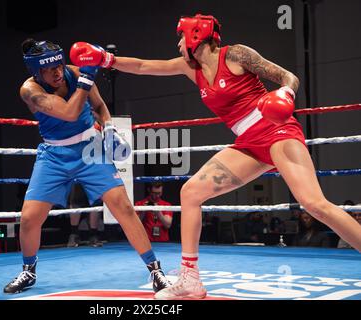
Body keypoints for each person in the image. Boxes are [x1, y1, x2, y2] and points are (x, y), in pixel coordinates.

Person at [70, 13, 361, 299]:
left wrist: (285, 93)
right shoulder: (190, 68)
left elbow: (288, 76)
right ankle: (190, 279)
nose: (178, 46)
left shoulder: (235, 55)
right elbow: (146, 66)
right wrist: (106, 60)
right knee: (191, 192)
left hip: (277, 131)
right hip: (248, 143)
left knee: (314, 204)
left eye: (181, 39)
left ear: (195, 36)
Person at [3, 39, 171, 294]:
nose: (58, 72)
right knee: (28, 219)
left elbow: (100, 106)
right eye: (50, 69)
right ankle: (28, 271)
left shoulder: (75, 72)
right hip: (54, 155)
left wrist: (109, 126)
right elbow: (70, 113)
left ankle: (155, 270)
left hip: (90, 149)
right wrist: (88, 76)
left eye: (59, 65)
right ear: (37, 72)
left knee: (124, 207)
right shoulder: (30, 91)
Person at [67, 183, 103, 247]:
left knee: (95, 202)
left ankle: (93, 235)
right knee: (76, 200)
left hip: (94, 178)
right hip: (77, 178)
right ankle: (74, 235)